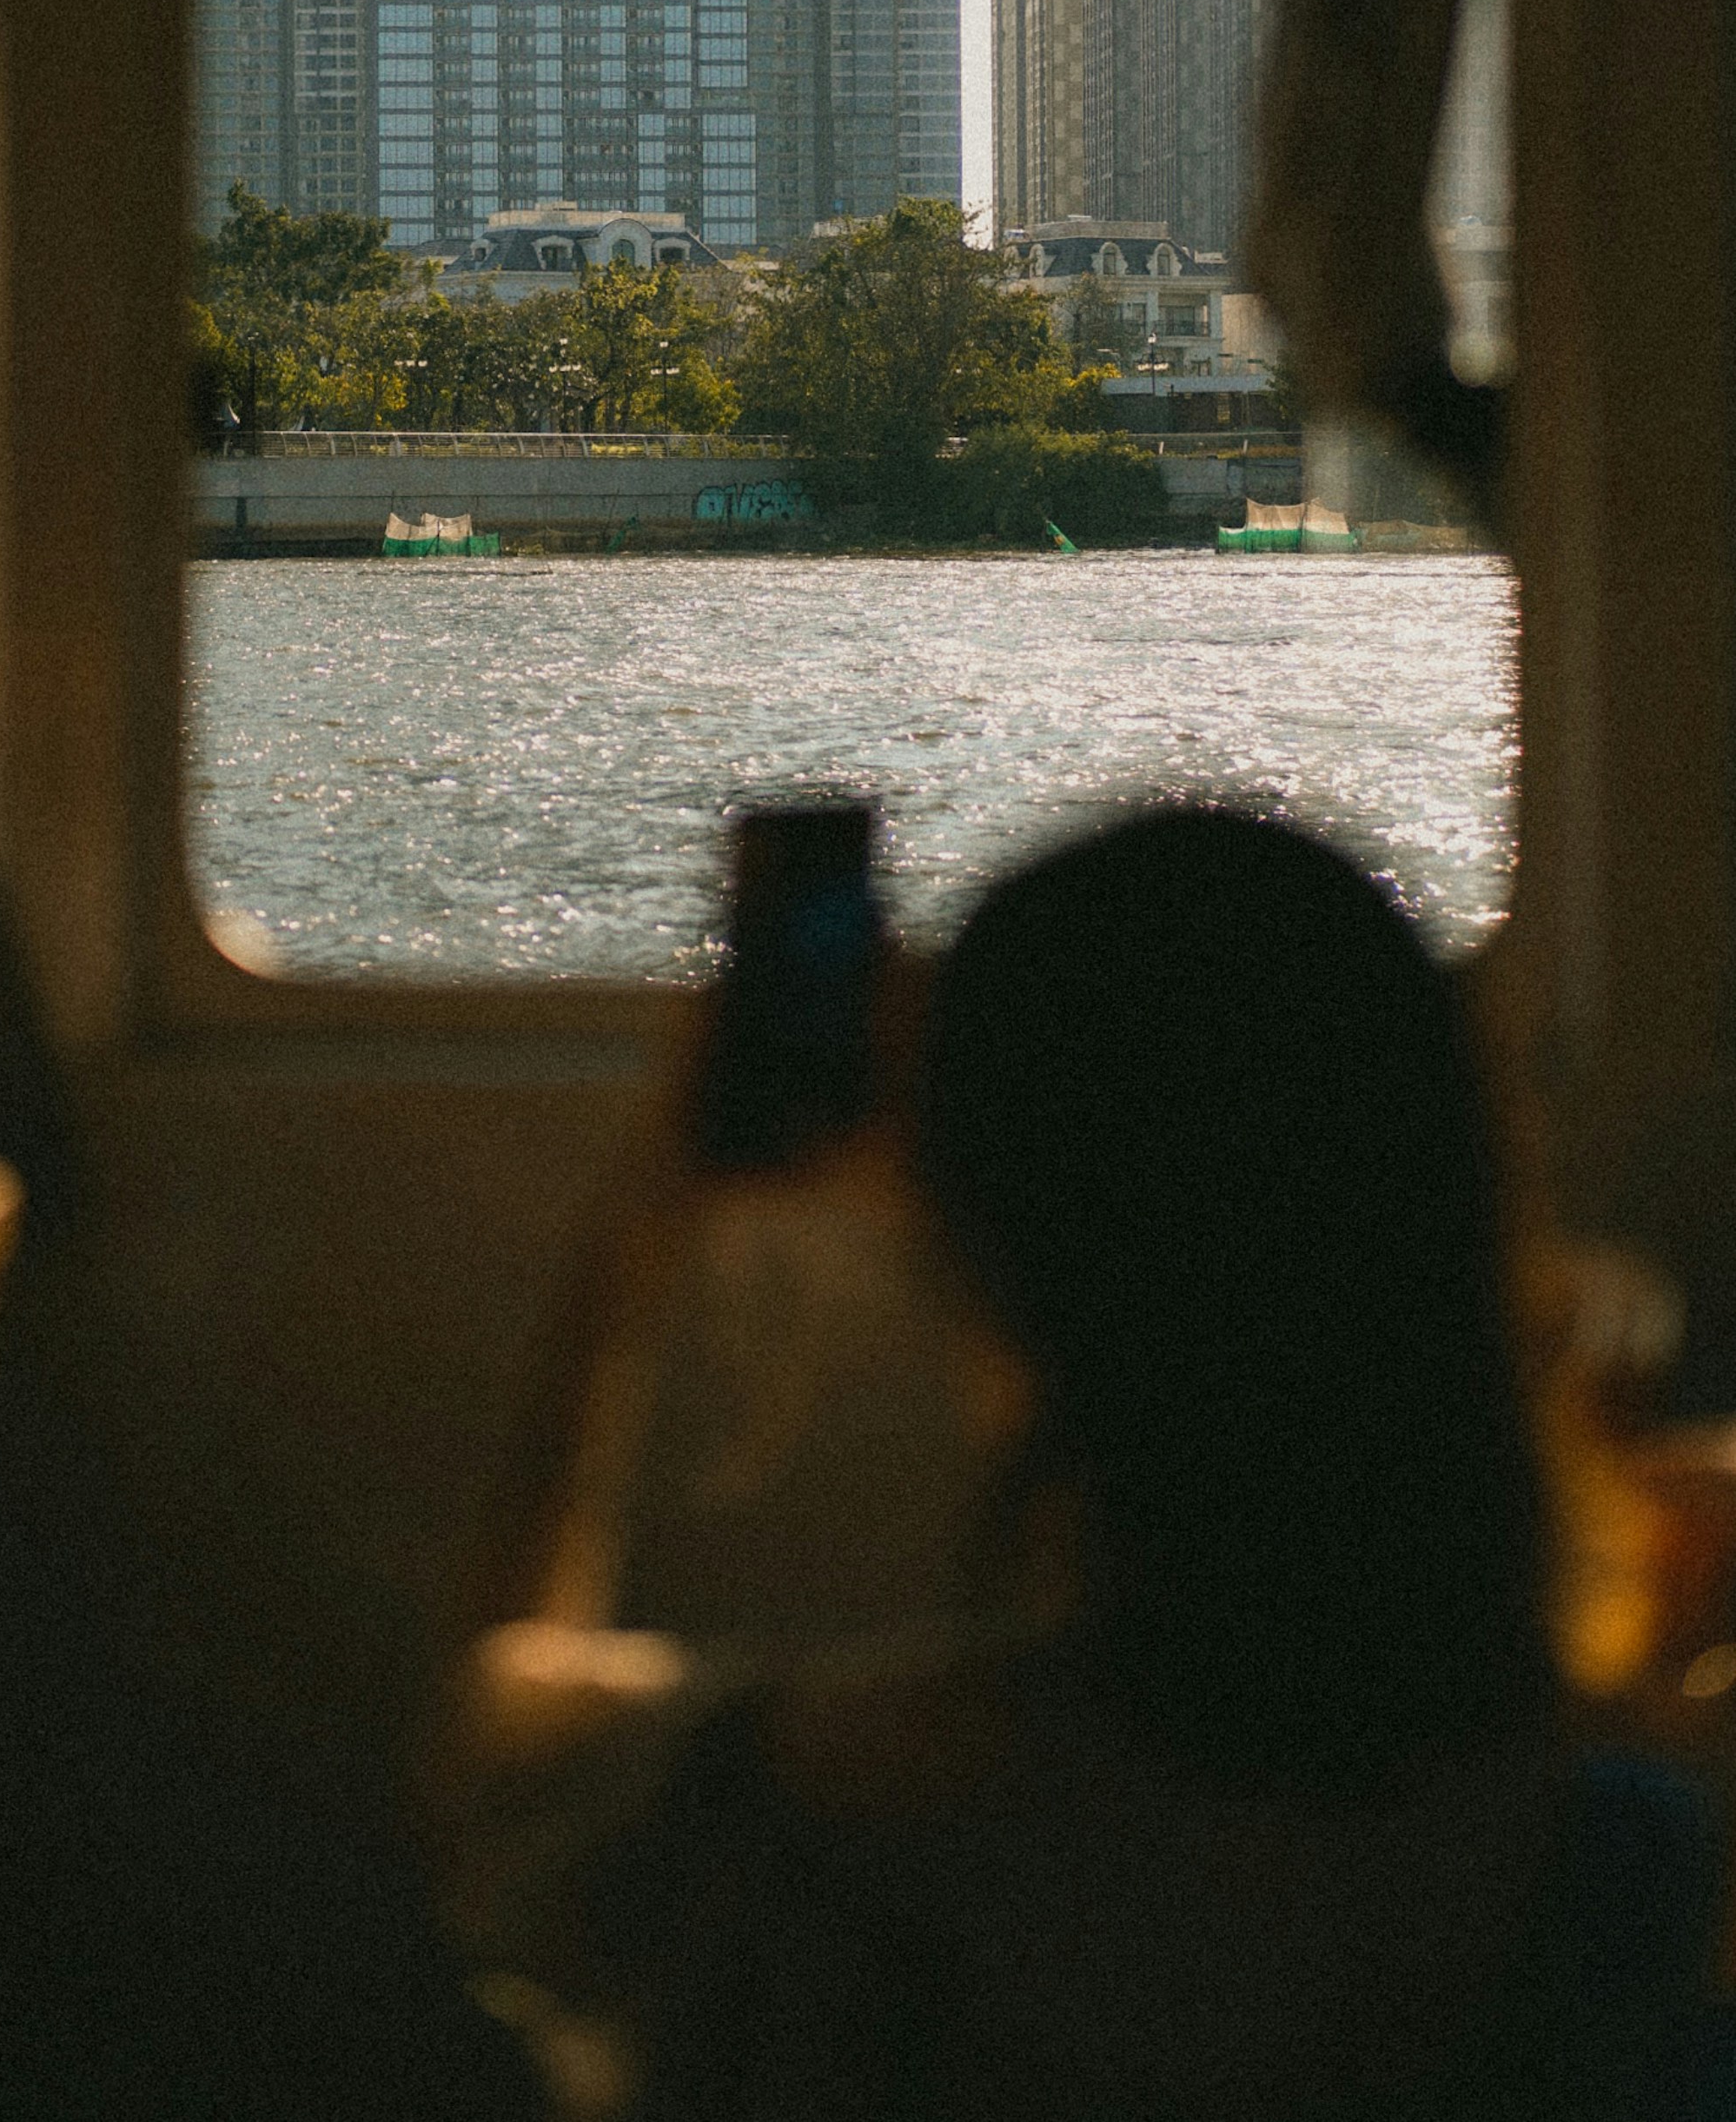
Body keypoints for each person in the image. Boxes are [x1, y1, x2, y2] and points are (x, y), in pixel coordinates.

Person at [429, 808, 1689, 2120]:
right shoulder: (1613, 1860)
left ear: (980, 1251)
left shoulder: (801, 1817)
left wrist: (648, 1235)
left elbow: (486, 1759)